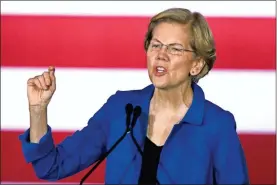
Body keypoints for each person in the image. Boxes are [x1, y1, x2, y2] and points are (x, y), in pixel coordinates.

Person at [19, 8, 249, 184]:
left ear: (197, 64)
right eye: (155, 45)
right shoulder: (121, 108)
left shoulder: (217, 125)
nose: (161, 55)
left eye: (175, 48)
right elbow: (51, 166)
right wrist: (38, 110)